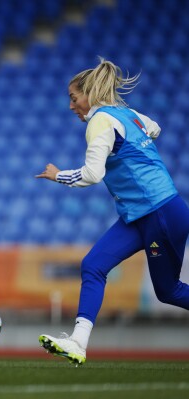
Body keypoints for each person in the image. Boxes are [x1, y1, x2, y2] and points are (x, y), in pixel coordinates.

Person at [35, 58, 189, 365]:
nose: (70, 105)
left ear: (89, 94)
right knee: (93, 265)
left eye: (73, 97)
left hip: (160, 212)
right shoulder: (126, 114)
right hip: (140, 214)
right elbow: (153, 128)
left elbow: (93, 174)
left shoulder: (100, 121)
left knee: (168, 291)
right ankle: (78, 342)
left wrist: (58, 175)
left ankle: (79, 341)